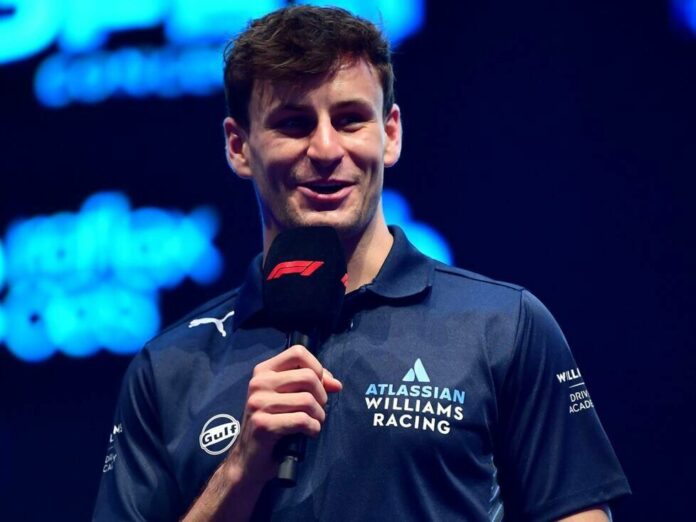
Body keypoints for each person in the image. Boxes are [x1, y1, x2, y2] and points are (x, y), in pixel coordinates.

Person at [93, 6, 630, 521]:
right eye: (294, 124)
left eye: (350, 120)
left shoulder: (504, 326)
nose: (326, 149)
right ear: (239, 147)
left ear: (390, 134)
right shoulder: (168, 369)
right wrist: (239, 469)